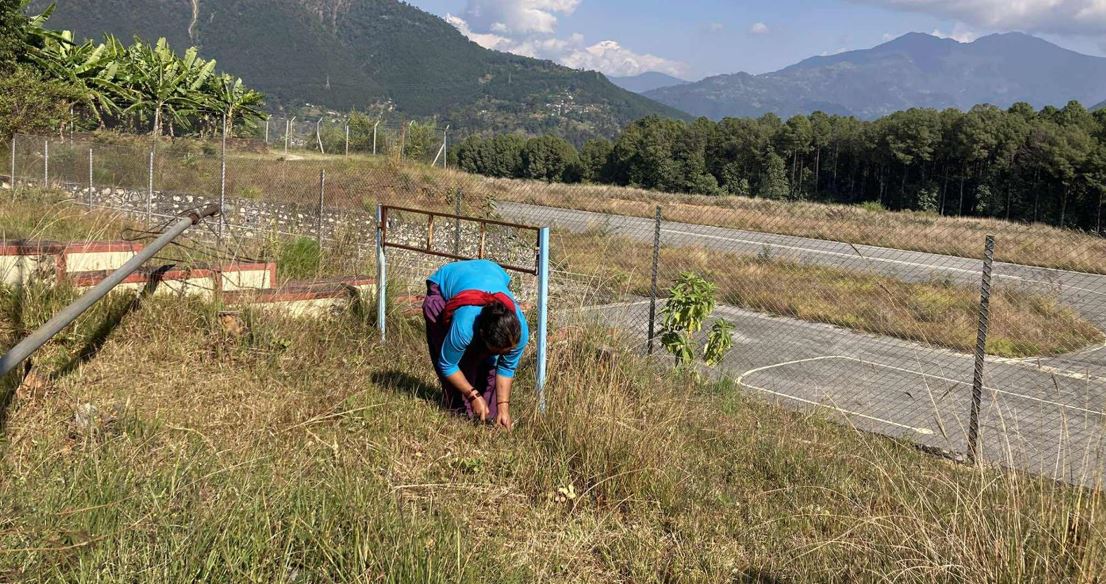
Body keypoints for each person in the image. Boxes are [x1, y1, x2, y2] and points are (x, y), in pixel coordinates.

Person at [422, 259, 529, 430]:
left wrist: (504, 408)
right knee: (463, 362)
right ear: (482, 334)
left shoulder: (519, 332)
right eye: (499, 351)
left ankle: (489, 417)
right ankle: (458, 416)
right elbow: (447, 364)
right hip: (446, 283)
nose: (505, 354)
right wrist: (473, 395)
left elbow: (506, 368)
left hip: (490, 271)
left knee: (489, 367)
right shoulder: (465, 326)